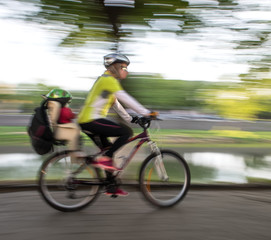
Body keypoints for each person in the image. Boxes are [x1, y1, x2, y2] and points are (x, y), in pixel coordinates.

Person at [78, 53, 158, 196]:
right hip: (91, 120)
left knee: (108, 150)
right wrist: (146, 113)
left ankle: (111, 186)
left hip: (88, 121)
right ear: (115, 67)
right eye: (123, 67)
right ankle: (105, 159)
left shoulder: (106, 81)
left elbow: (116, 104)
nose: (125, 71)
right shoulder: (108, 80)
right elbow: (126, 98)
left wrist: (132, 119)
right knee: (126, 133)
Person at [46, 88, 83, 157]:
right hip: (66, 128)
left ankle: (76, 153)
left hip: (60, 128)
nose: (68, 103)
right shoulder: (65, 110)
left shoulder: (57, 109)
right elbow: (70, 116)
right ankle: (76, 154)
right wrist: (79, 114)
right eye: (68, 102)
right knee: (79, 135)